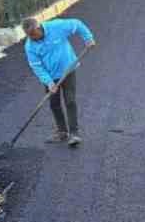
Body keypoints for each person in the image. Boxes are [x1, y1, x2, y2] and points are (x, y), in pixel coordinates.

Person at [22, 15, 96, 146]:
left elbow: (77, 23)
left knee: (70, 100)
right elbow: (36, 66)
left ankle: (74, 134)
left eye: (33, 34)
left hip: (68, 69)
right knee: (54, 104)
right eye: (29, 36)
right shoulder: (30, 46)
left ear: (39, 28)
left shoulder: (56, 26)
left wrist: (88, 38)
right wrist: (49, 82)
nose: (32, 38)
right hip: (50, 76)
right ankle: (62, 132)